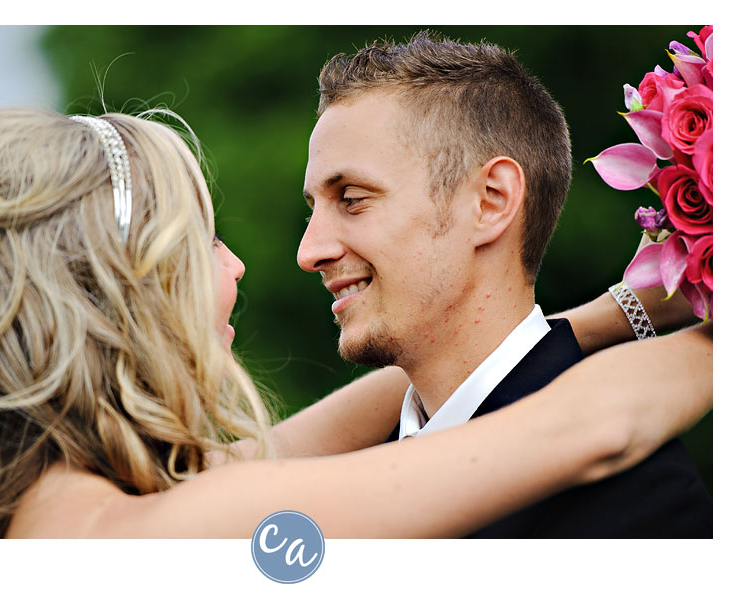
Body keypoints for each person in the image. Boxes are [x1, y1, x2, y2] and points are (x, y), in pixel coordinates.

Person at [0, 107, 711, 539]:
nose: (241, 265)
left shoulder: (66, 509)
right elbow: (595, 426)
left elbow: (417, 390)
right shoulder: (161, 527)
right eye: (203, 242)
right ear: (120, 292)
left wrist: (628, 306)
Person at [297, 32, 712, 537]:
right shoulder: (338, 468)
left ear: (490, 201)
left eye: (353, 198)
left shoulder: (633, 504)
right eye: (312, 207)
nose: (309, 251)